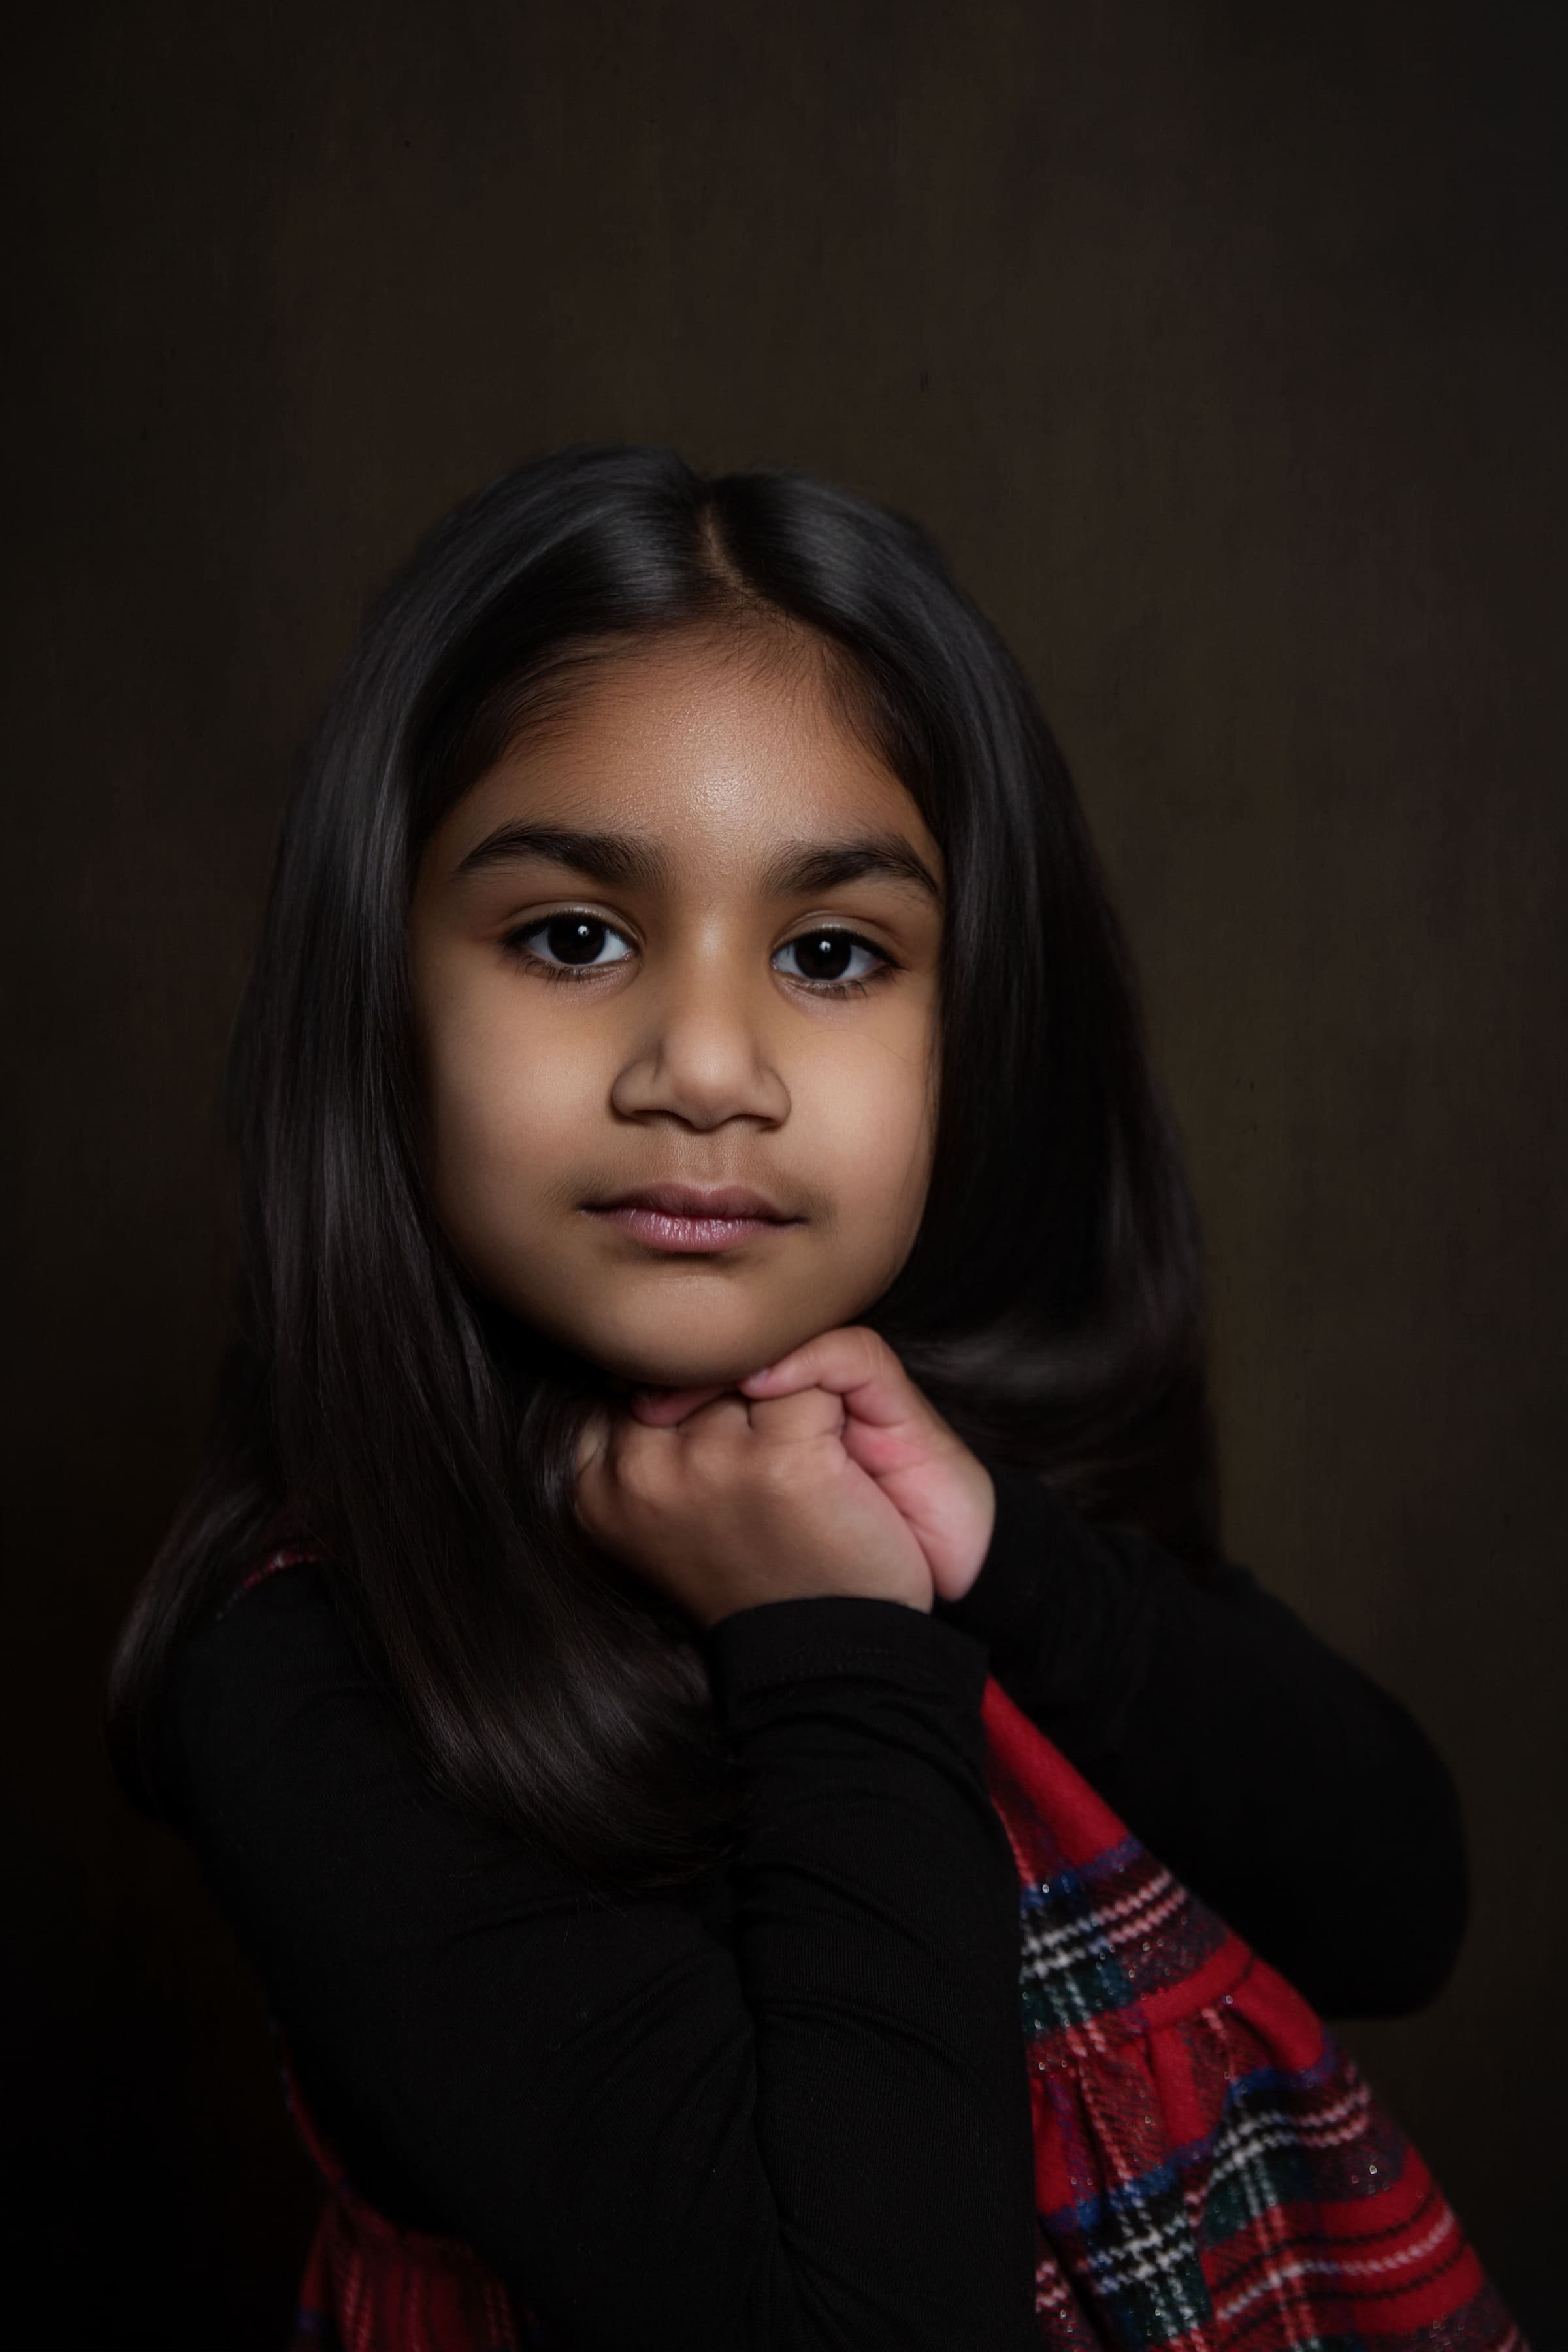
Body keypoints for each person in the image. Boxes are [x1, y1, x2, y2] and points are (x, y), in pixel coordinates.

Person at [106, 447, 1467, 2350]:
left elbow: (1402, 1902)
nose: (708, 1066)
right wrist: (823, 1634)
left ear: (976, 1020)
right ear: (381, 1002)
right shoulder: (312, 1670)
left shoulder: (976, 1464)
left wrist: (998, 1553)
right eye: (574, 936)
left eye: (832, 955)